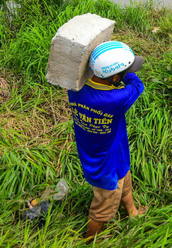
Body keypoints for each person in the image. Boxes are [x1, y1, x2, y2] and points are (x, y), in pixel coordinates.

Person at [67, 41, 147, 240]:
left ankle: (133, 212)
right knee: (101, 210)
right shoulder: (114, 99)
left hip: (110, 154)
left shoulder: (74, 89)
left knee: (125, 181)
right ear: (114, 77)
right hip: (106, 167)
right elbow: (138, 85)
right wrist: (126, 72)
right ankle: (89, 240)